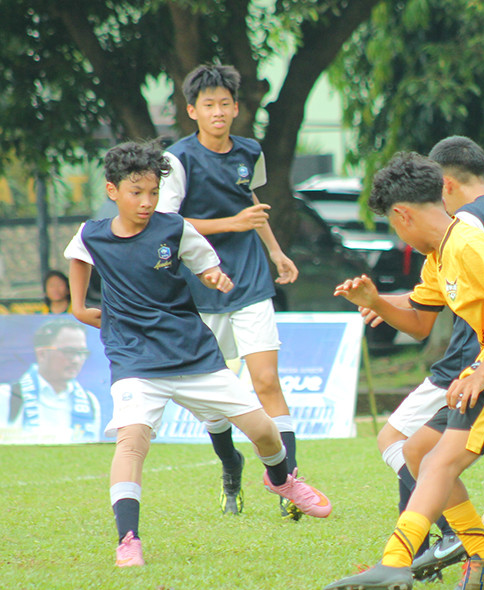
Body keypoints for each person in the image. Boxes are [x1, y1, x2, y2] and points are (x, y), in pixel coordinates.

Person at [63, 140, 330, 567]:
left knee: (263, 429)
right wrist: (78, 306)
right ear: (112, 191)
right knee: (132, 443)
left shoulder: (174, 228)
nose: (147, 202)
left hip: (192, 352)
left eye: (153, 192)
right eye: (136, 193)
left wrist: (213, 277)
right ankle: (128, 539)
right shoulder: (92, 232)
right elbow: (78, 256)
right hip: (136, 360)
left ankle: (281, 480)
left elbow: (205, 263)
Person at [321, 152, 484, 590]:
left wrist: (480, 372)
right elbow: (419, 322)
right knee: (418, 451)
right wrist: (376, 301)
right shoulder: (439, 258)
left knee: (439, 461)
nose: (399, 235)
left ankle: (394, 563)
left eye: (394, 226)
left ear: (403, 214)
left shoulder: (471, 246)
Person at [156, 64, 304, 518]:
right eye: (208, 105)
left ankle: (289, 486)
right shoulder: (177, 159)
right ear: (192, 111)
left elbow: (253, 211)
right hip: (201, 283)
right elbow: (168, 224)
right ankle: (230, 467)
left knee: (265, 382)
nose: (218, 112)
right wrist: (230, 224)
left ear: (236, 108)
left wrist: (276, 252)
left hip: (251, 278)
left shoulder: (250, 152)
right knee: (215, 398)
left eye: (225, 104)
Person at [0, 318, 101, 442]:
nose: (76, 360)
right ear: (42, 354)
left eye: (82, 352)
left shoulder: (89, 402)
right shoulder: (7, 396)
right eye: (68, 352)